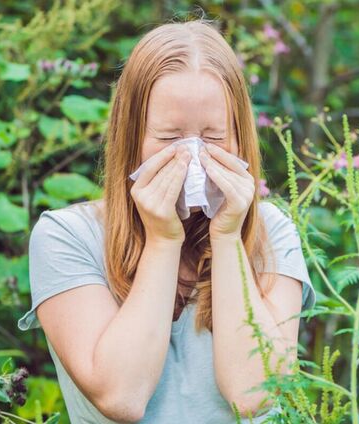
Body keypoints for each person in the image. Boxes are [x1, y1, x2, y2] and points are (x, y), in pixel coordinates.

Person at [17, 18, 316, 424]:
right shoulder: (67, 236)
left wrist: (227, 237)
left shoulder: (271, 231)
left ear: (239, 137)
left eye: (212, 137)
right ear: (132, 136)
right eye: (169, 137)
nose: (192, 156)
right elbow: (121, 397)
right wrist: (162, 240)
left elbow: (256, 398)